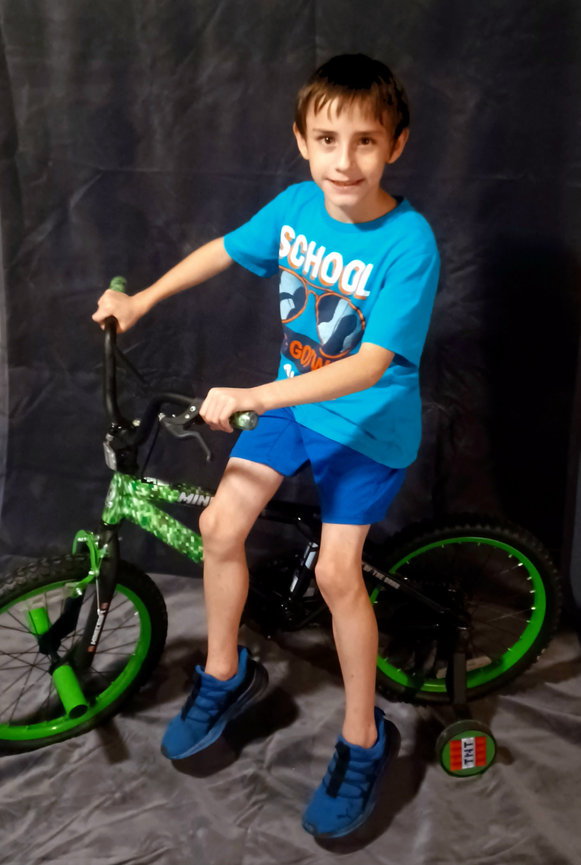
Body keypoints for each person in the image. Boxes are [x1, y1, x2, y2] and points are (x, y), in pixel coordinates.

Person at [93, 53, 440, 839]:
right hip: (292, 406)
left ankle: (363, 735)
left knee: (336, 573)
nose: (343, 160)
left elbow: (368, 364)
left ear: (396, 146)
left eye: (363, 142)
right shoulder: (295, 207)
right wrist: (141, 299)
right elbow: (224, 248)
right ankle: (225, 670)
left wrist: (254, 393)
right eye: (326, 140)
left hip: (364, 423)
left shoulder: (408, 241)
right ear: (300, 142)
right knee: (221, 526)